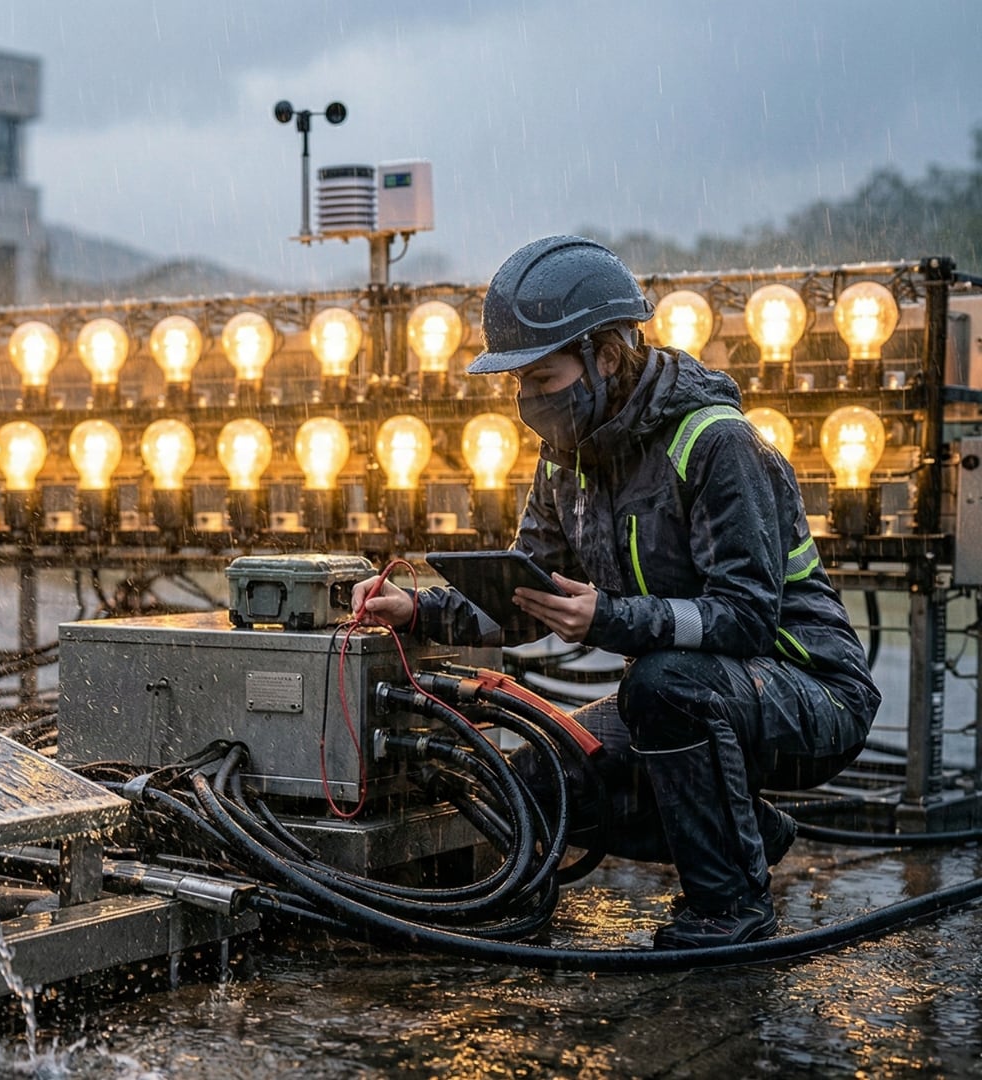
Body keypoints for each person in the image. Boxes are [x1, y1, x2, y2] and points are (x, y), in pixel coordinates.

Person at [352, 235, 879, 949]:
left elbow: (747, 620)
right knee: (535, 784)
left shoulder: (716, 443)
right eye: (519, 385)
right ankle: (744, 828)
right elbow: (523, 588)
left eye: (543, 379)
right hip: (685, 691)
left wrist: (610, 617)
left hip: (809, 691)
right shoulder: (566, 460)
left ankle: (730, 907)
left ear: (605, 355)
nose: (528, 401)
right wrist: (423, 609)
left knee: (661, 687)